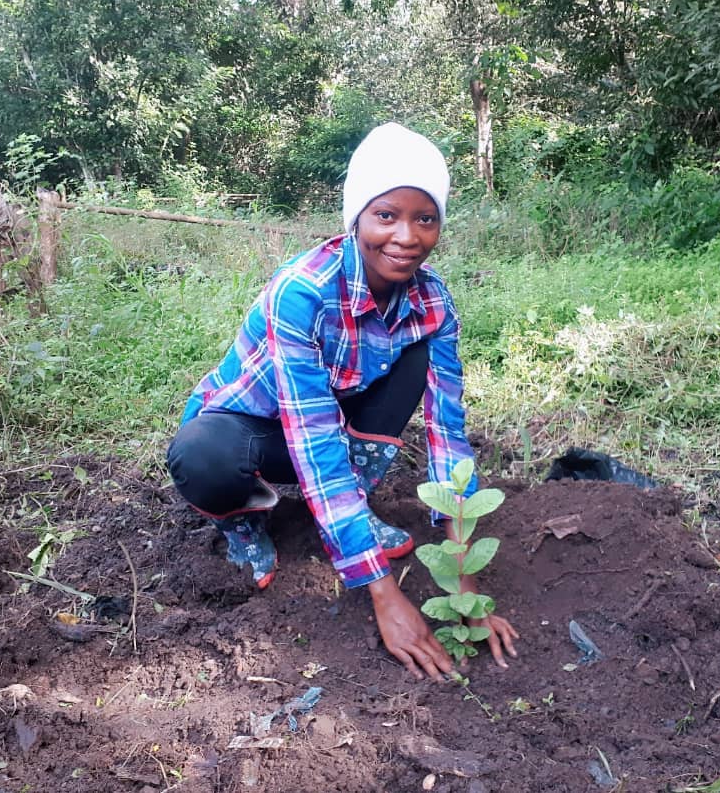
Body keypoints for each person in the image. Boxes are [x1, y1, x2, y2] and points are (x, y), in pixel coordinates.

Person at [167, 122, 518, 681]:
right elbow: (313, 439)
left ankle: (349, 509)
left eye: (424, 218)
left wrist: (465, 589)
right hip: (252, 429)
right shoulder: (301, 291)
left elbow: (447, 432)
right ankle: (244, 523)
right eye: (386, 216)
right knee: (202, 457)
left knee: (415, 358)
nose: (406, 236)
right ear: (357, 218)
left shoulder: (433, 301)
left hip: (330, 418)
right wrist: (383, 594)